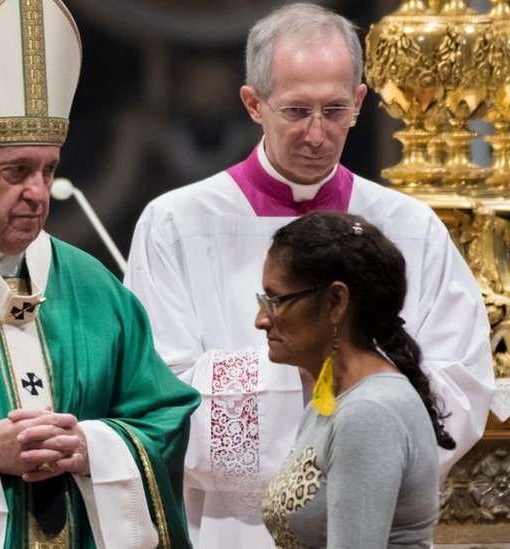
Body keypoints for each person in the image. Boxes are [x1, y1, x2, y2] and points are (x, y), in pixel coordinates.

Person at [124, 3, 495, 548]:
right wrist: (329, 378)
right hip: (228, 529)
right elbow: (158, 395)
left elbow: (458, 385)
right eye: (297, 110)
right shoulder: (176, 224)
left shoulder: (409, 227)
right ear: (254, 103)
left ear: (360, 103)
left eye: (335, 110)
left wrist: (360, 438)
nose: (317, 134)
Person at [0, 1, 201, 547]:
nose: (37, 191)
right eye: (16, 171)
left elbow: (164, 417)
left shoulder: (93, 287)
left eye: (49, 169)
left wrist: (94, 447)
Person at [257, 211, 444, 548]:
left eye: (275, 300)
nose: (261, 319)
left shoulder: (369, 413)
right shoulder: (334, 395)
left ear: (335, 301)